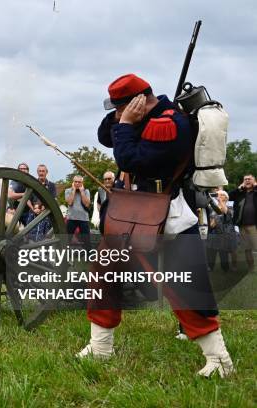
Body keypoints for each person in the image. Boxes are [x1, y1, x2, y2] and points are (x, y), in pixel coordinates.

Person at [78, 73, 234, 378]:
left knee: (186, 286)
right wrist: (124, 119)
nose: (116, 114)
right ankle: (101, 348)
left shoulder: (168, 124)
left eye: (119, 107)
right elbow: (104, 136)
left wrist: (126, 125)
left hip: (166, 213)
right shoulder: (140, 116)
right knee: (104, 277)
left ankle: (219, 360)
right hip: (131, 211)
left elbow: (131, 160)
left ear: (139, 101)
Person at [228, 174, 256, 271]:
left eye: (249, 179)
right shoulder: (239, 193)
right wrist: (238, 188)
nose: (247, 180)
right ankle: (251, 268)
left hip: (254, 226)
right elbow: (228, 196)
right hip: (242, 225)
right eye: (245, 179)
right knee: (247, 248)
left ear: (254, 181)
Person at [206, 190, 236, 273]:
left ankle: (225, 268)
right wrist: (211, 224)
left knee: (223, 253)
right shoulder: (211, 207)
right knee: (211, 251)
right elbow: (210, 220)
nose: (219, 196)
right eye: (218, 195)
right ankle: (210, 267)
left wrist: (219, 201)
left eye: (222, 195)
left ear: (226, 198)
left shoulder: (230, 206)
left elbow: (226, 212)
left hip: (225, 233)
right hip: (213, 232)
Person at [64, 175, 91, 250]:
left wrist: (82, 191)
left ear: (82, 183)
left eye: (79, 182)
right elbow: (69, 202)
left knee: (86, 241)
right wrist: (73, 190)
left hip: (84, 219)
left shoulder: (86, 191)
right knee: (67, 240)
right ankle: (65, 255)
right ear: (73, 182)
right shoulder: (68, 191)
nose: (77, 183)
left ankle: (88, 257)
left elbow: (87, 204)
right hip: (71, 218)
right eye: (75, 182)